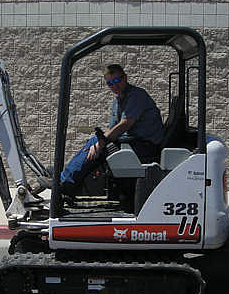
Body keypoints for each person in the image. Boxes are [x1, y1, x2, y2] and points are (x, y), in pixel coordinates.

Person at [60, 64, 165, 196]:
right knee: (96, 143)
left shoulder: (136, 95)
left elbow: (125, 124)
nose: (114, 86)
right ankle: (67, 180)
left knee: (100, 145)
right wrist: (100, 141)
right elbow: (113, 129)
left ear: (125, 78)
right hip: (132, 142)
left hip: (146, 146)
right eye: (110, 83)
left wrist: (100, 143)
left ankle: (66, 183)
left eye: (117, 80)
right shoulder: (118, 100)